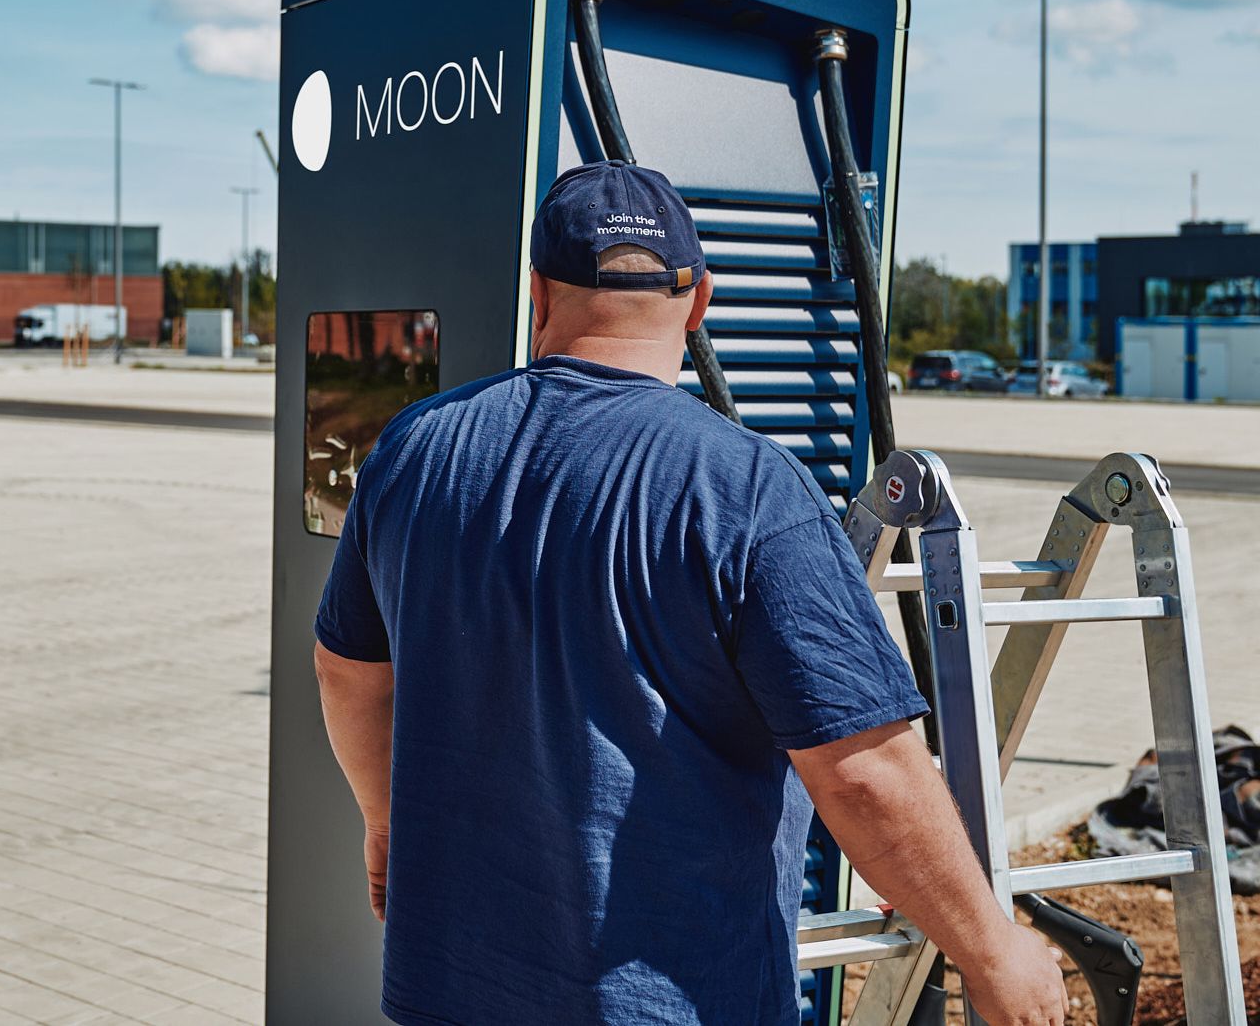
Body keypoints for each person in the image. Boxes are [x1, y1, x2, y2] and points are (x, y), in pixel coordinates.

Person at [311, 160, 1066, 1026]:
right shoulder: (747, 490)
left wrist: (385, 822)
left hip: (448, 988)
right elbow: (862, 774)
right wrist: (994, 952)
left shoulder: (414, 449)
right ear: (699, 301)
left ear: (539, 297)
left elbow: (347, 674)